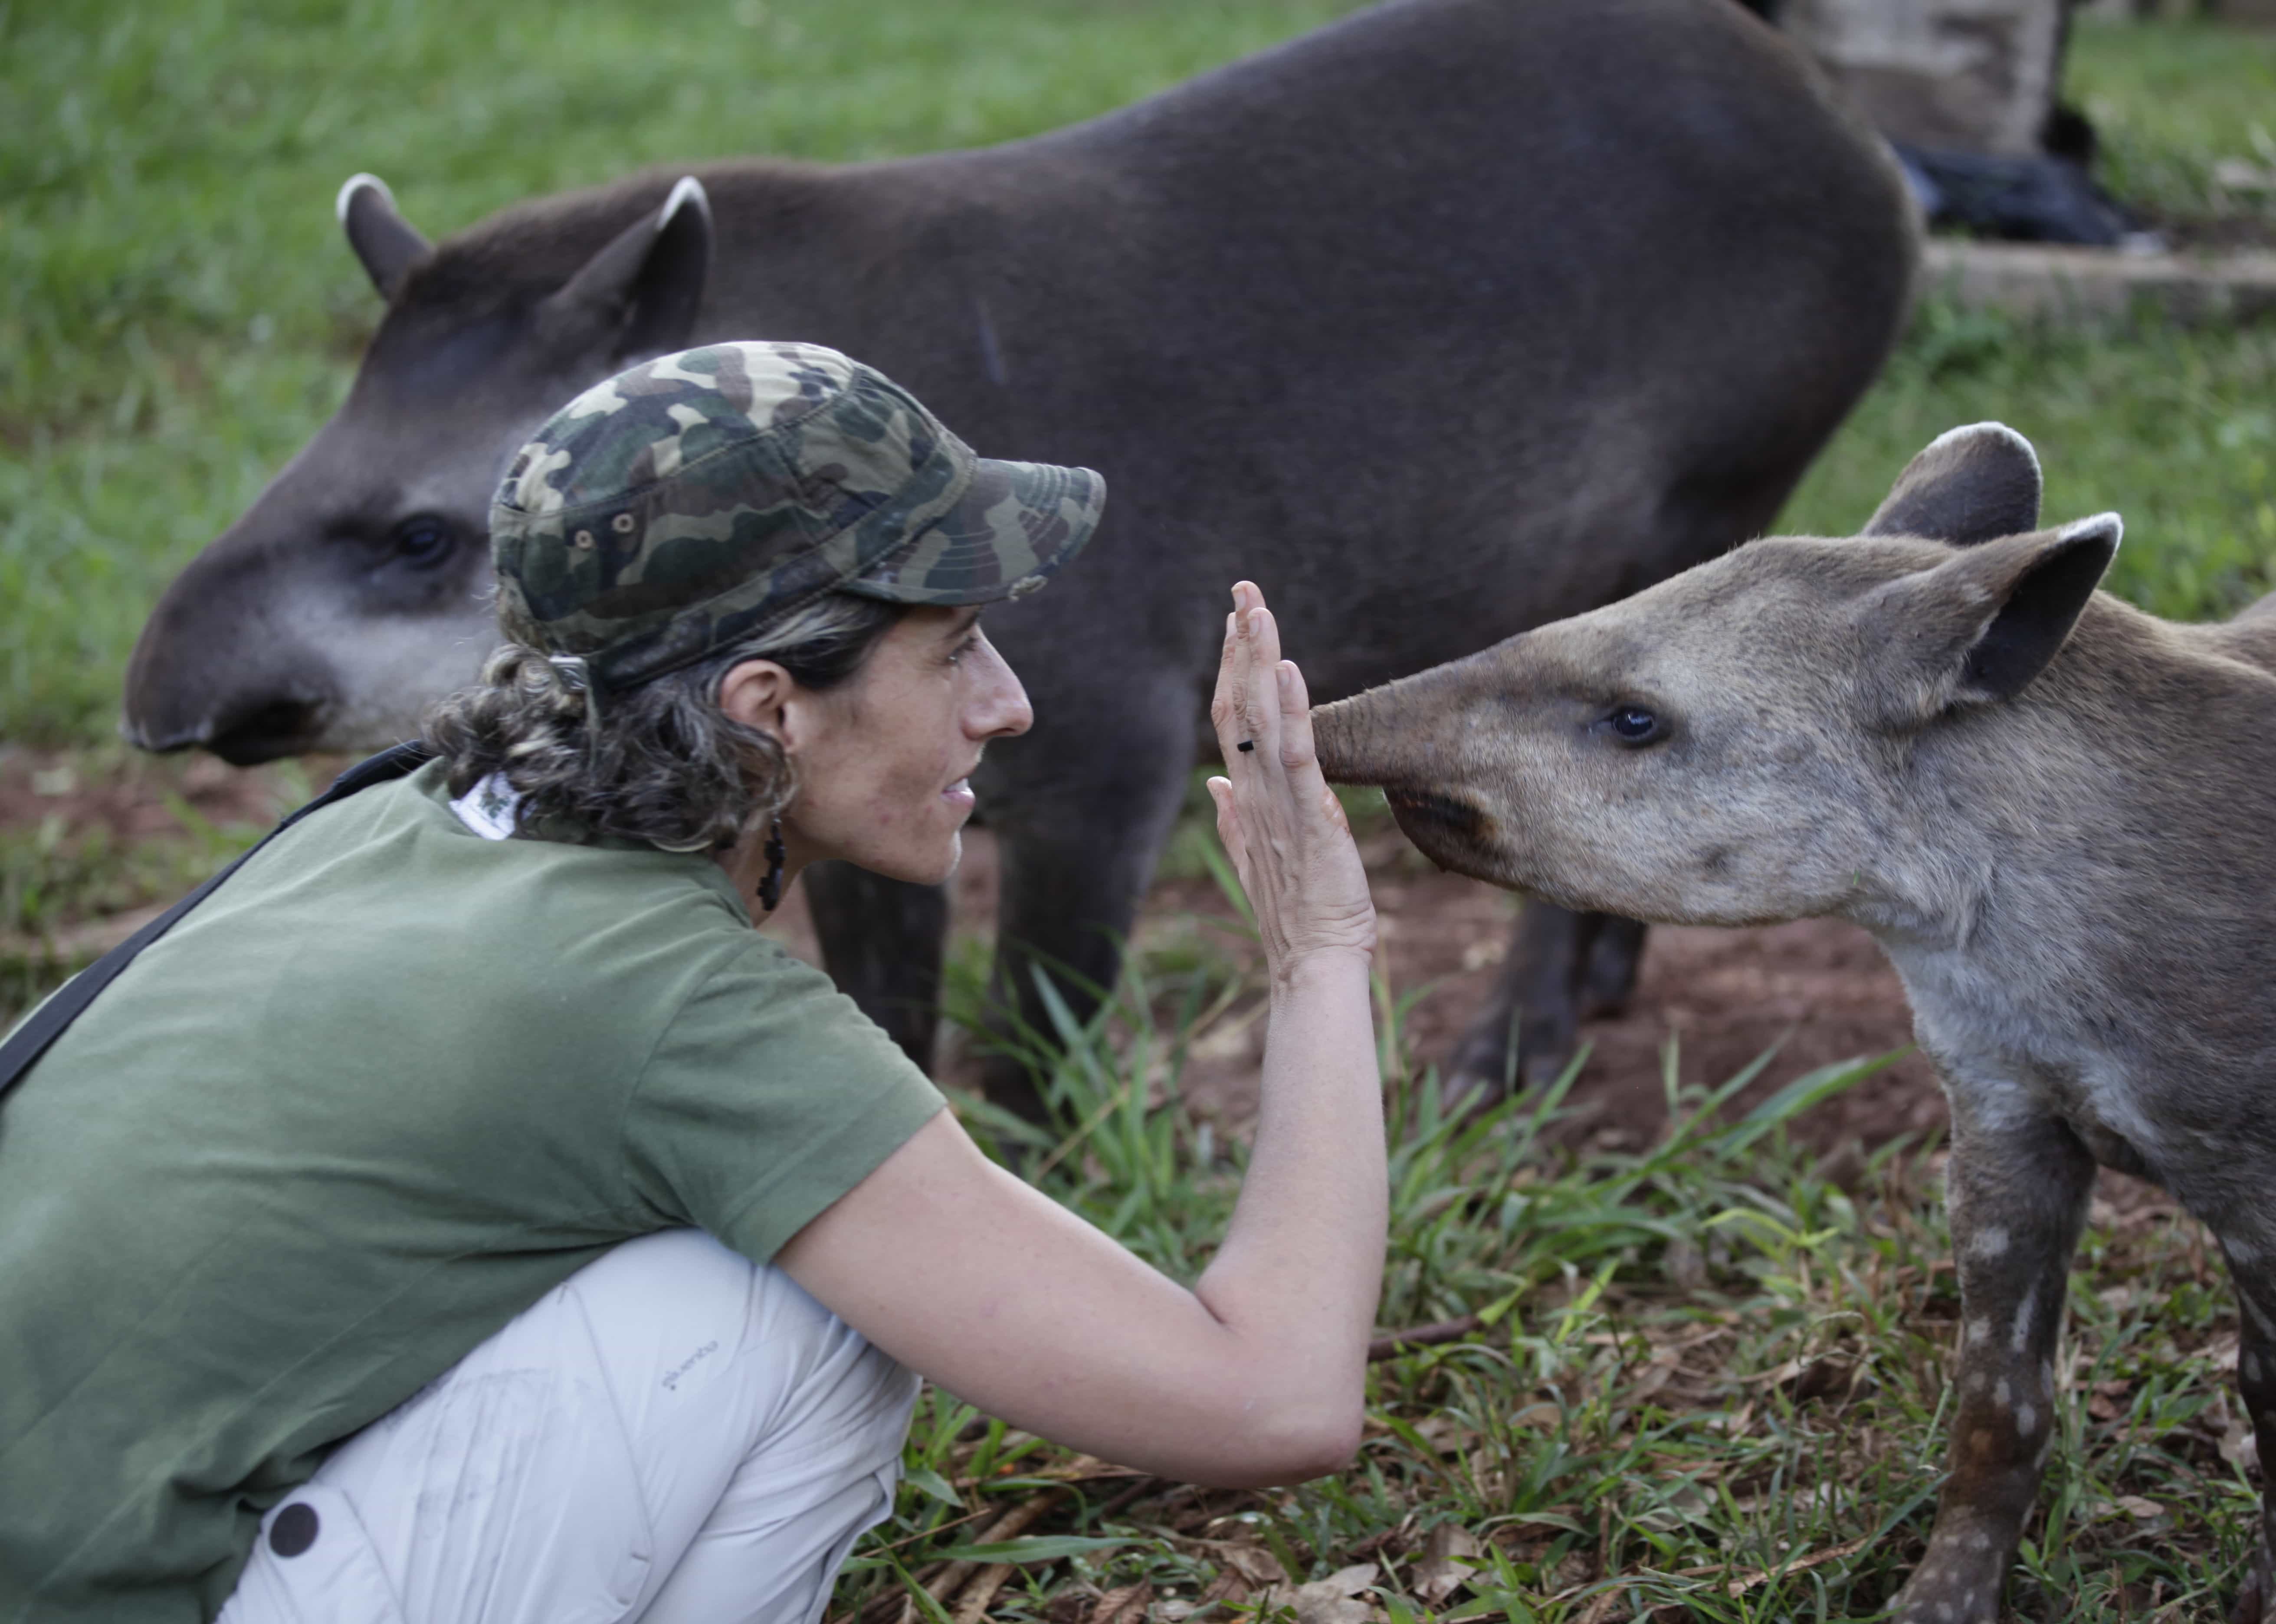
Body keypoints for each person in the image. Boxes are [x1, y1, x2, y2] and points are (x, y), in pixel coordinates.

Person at [0, 341, 1386, 1623]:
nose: (1008, 704)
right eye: (956, 647)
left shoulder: (403, 814)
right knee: (793, 1310)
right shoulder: (667, 1008)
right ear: (770, 711)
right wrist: (1322, 953)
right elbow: (1276, 1400)